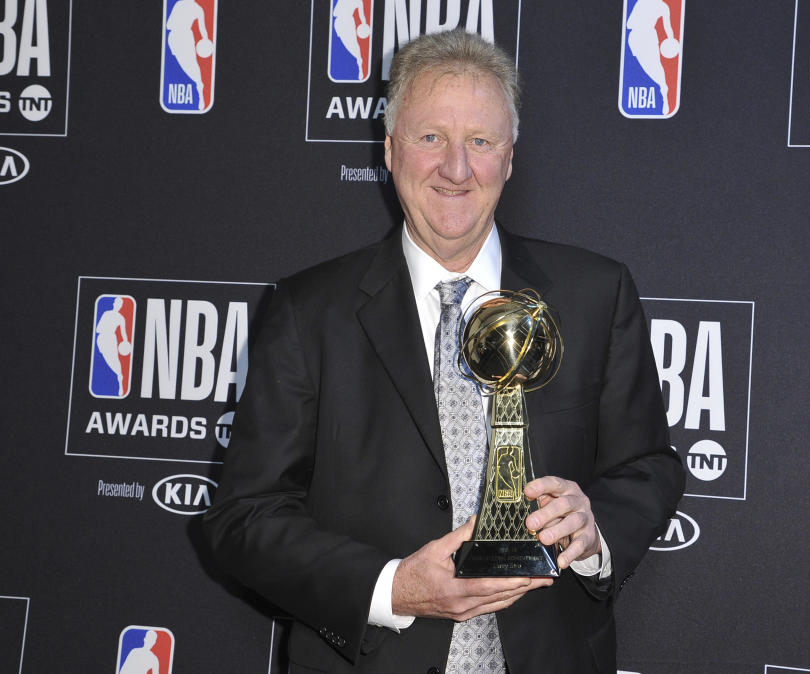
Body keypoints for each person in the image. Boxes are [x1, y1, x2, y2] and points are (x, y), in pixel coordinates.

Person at [204, 29, 684, 674]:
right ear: (391, 150)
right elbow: (244, 518)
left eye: (480, 142)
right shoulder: (306, 312)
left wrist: (596, 529)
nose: (456, 169)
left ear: (510, 158)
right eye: (431, 138)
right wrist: (391, 587)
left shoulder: (596, 295)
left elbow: (648, 465)